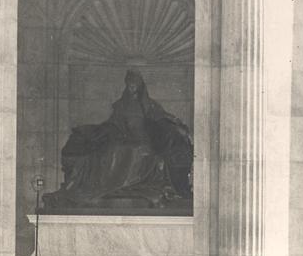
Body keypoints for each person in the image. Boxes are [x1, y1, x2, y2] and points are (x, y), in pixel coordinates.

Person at [42, 70, 193, 209]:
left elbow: (163, 117)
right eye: (130, 84)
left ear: (140, 86)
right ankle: (115, 183)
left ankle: (128, 183)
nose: (132, 87)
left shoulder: (149, 105)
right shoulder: (121, 105)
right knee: (113, 151)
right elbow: (113, 123)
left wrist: (178, 125)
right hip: (125, 138)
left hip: (144, 140)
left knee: (138, 151)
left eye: (134, 84)